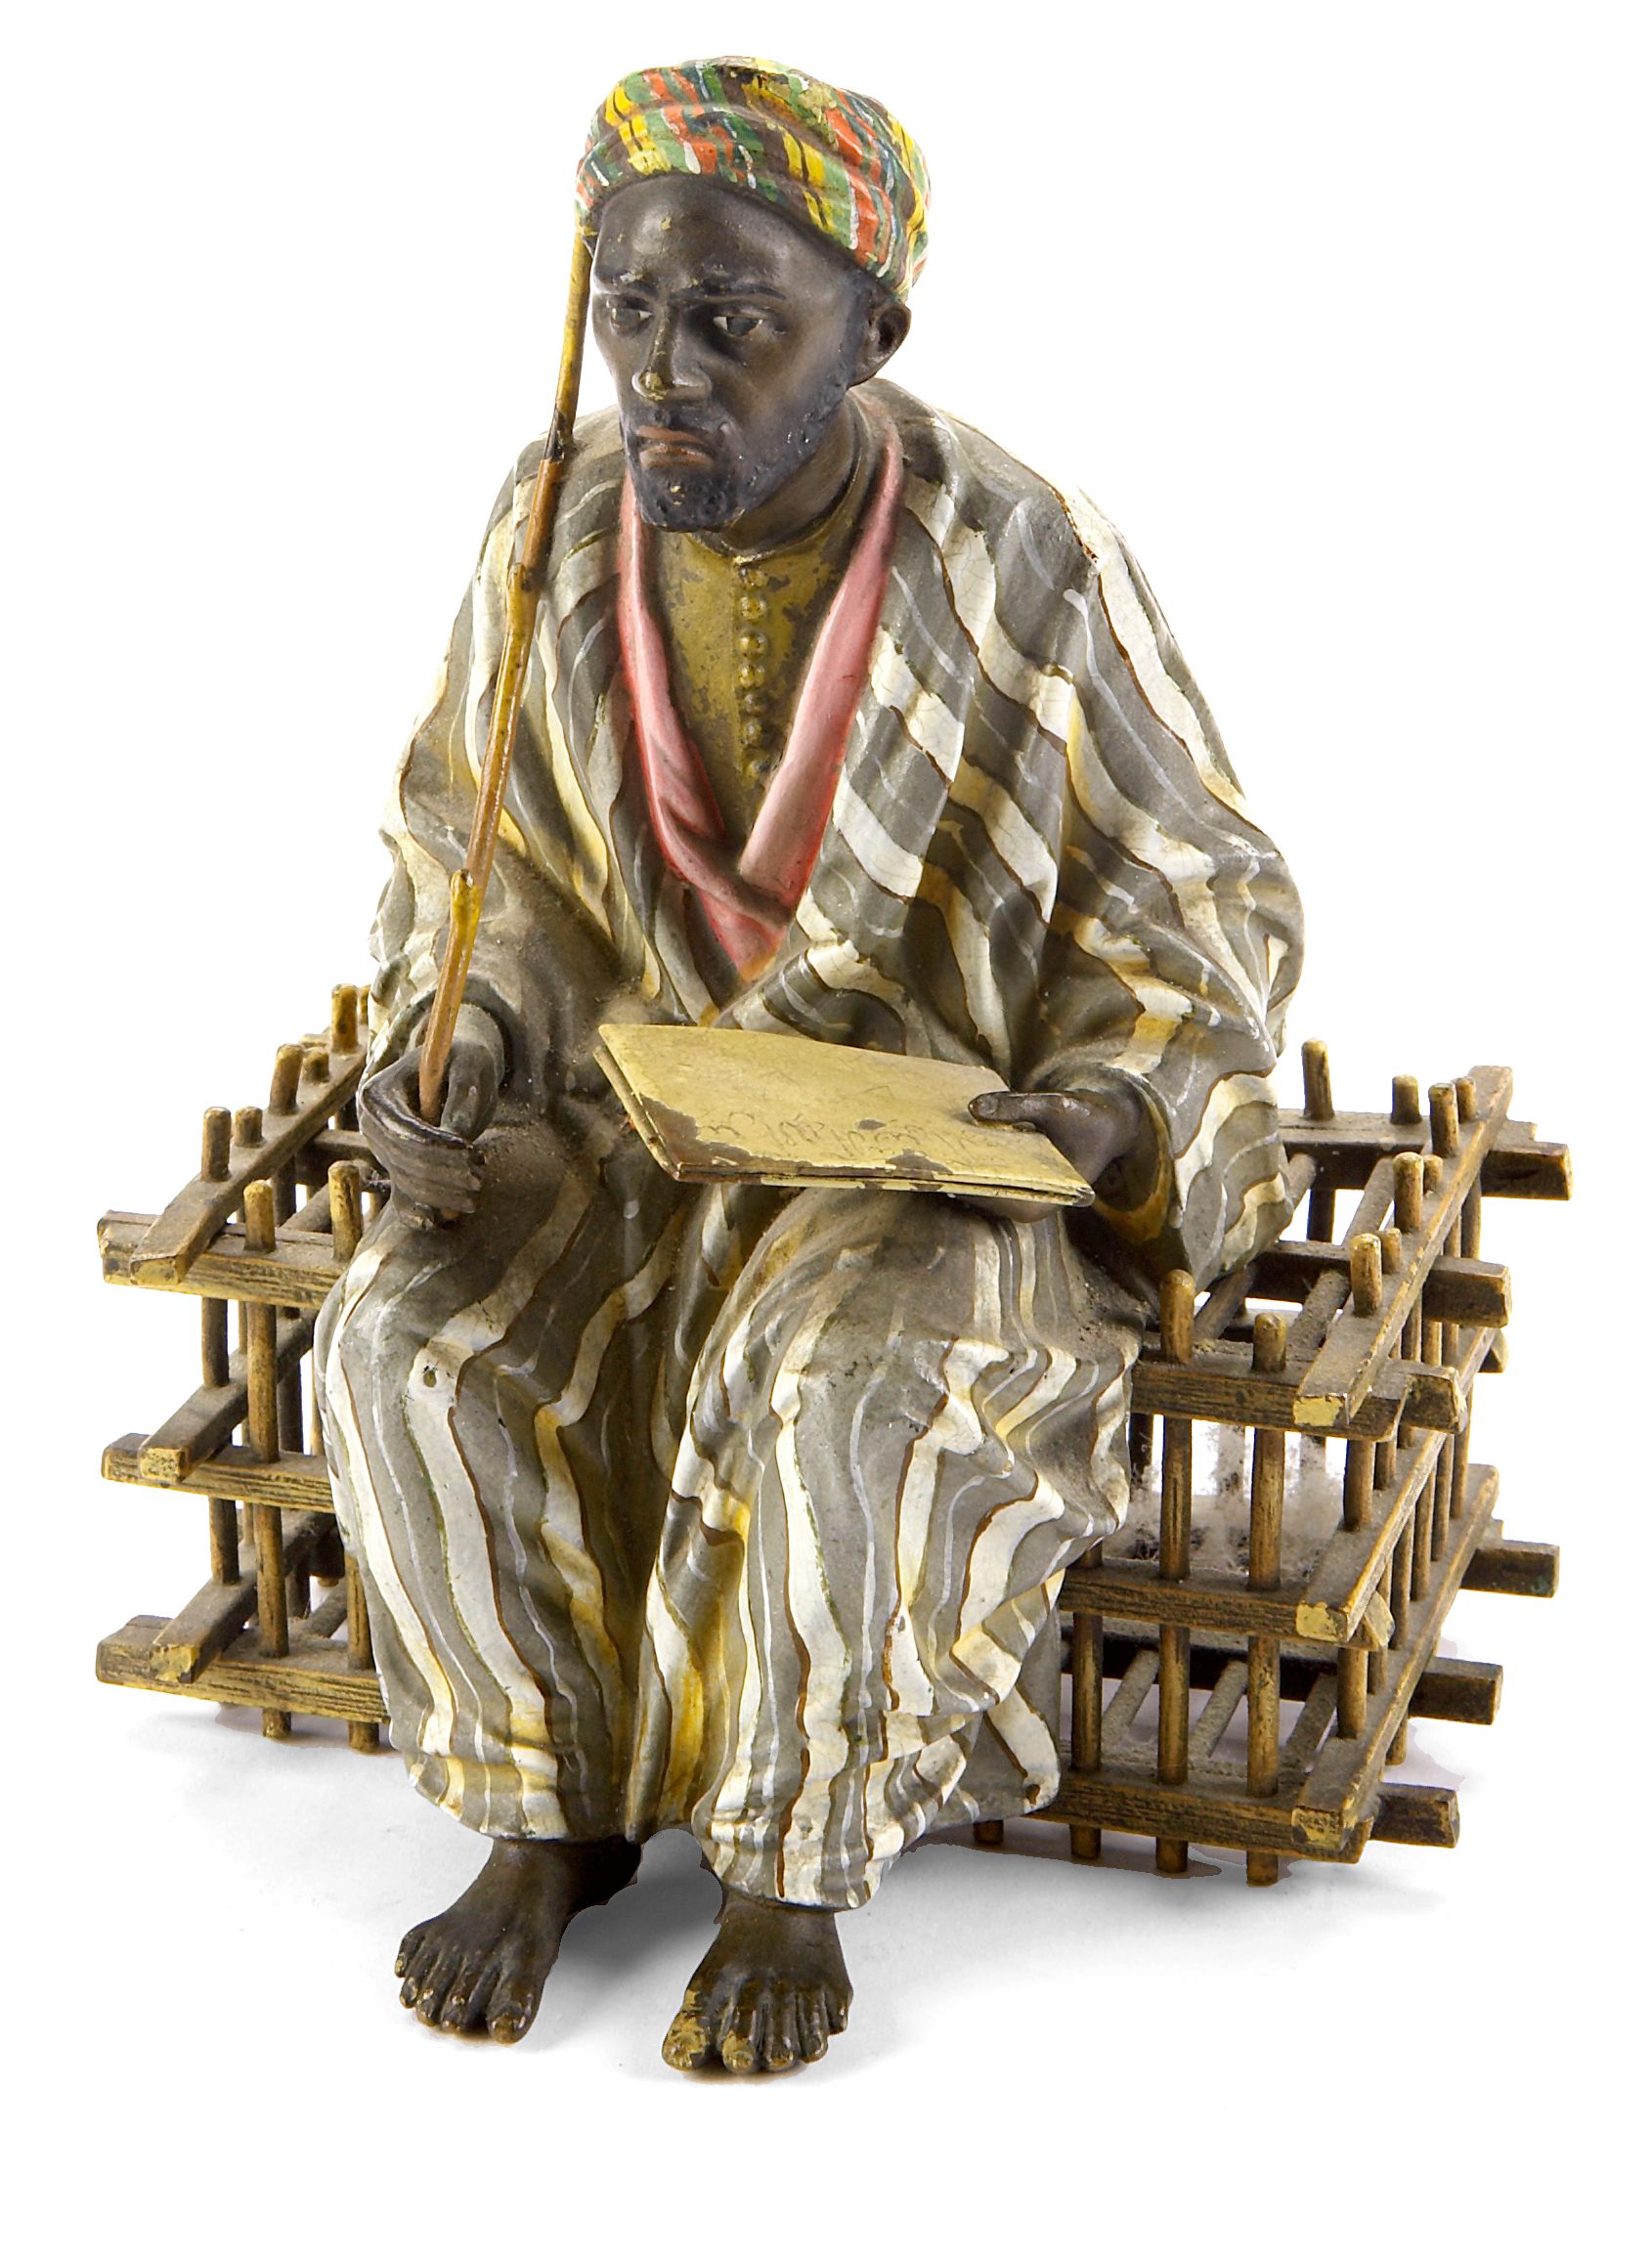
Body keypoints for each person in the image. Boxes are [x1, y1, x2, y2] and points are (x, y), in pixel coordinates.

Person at [316, 57, 1303, 2076]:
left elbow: (1195, 900)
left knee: (854, 1388)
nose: (661, 371)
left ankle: (794, 1870)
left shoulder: (1021, 556)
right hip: (619, 1131)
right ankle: (541, 1812)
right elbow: (475, 859)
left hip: (914, 1150)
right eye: (628, 312)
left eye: (731, 322)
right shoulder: (547, 520)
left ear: (871, 332)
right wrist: (466, 1035)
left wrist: (1109, 1108)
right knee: (403, 1336)